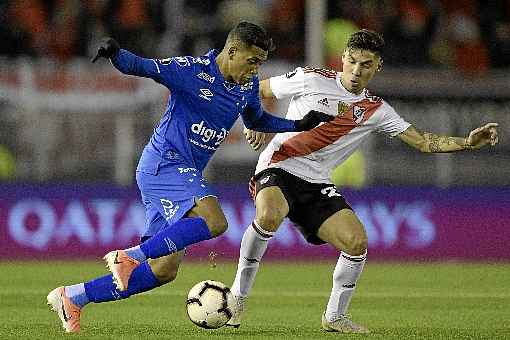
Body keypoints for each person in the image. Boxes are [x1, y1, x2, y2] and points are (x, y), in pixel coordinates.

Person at [46, 21, 333, 333]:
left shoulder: (247, 86)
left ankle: (73, 297)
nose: (255, 69)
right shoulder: (192, 70)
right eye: (252, 61)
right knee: (215, 221)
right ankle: (128, 256)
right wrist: (115, 53)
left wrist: (299, 125)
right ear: (232, 51)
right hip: (163, 163)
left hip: (181, 172)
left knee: (163, 270)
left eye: (260, 63)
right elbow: (143, 67)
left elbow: (257, 119)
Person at [227, 29, 499, 333]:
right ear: (342, 57)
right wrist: (257, 121)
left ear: (377, 66)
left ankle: (334, 317)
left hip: (316, 181)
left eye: (366, 65)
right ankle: (237, 297)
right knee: (268, 214)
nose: (356, 71)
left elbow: (422, 142)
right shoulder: (311, 77)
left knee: (356, 243)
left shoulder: (376, 110)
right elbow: (255, 89)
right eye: (353, 61)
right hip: (279, 165)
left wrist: (468, 142)